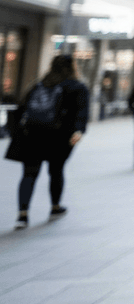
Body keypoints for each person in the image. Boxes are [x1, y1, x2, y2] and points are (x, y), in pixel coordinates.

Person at [5, 55, 88, 229]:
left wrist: (16, 132)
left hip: (32, 135)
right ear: (72, 67)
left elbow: (21, 109)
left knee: (29, 174)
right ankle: (55, 206)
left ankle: (22, 215)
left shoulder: (40, 84)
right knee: (56, 171)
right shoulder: (76, 87)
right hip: (60, 137)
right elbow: (81, 111)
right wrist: (78, 130)